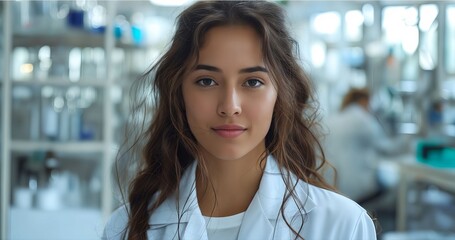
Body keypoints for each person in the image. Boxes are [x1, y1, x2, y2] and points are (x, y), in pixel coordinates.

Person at [103, 1, 378, 240]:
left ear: (280, 93)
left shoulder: (342, 226)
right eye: (207, 81)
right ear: (179, 93)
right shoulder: (126, 228)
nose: (230, 106)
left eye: (253, 82)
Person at [324, 88, 405, 204]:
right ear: (363, 101)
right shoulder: (363, 119)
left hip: (333, 183)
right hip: (356, 186)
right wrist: (405, 139)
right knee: (392, 184)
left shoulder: (334, 118)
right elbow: (387, 148)